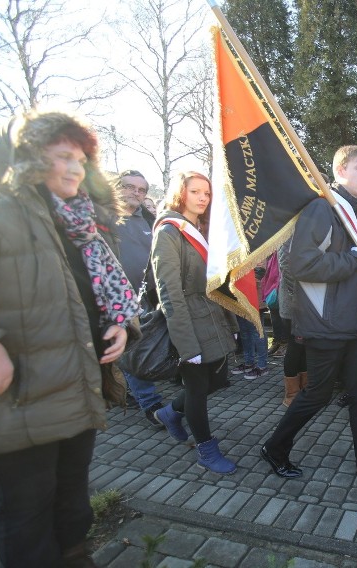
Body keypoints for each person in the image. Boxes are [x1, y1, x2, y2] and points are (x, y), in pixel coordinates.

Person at [0, 110, 139, 567]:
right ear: (27, 158)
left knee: (72, 512)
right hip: (15, 406)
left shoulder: (80, 224)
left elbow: (96, 294)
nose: (74, 168)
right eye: (62, 155)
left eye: (81, 159)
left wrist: (121, 325)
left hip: (72, 397)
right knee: (26, 523)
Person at [261, 145, 357, 490]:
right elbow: (302, 265)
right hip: (326, 324)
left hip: (356, 325)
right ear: (340, 170)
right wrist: (353, 260)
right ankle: (274, 447)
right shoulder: (322, 209)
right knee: (317, 395)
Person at [150, 171, 239, 475]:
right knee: (198, 389)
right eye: (195, 192)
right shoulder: (169, 231)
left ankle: (170, 412)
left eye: (207, 193)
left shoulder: (201, 228)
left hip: (211, 316)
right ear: (181, 193)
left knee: (218, 380)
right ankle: (206, 450)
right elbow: (168, 292)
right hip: (188, 321)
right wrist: (186, 344)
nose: (203, 198)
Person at [113, 169, 167, 427]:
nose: (136, 192)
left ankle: (128, 391)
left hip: (147, 298)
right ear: (116, 187)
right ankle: (150, 402)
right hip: (115, 300)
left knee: (139, 348)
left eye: (141, 189)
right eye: (129, 187)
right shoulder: (101, 220)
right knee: (130, 347)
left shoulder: (149, 219)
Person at [277, 237, 307, 407]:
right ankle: (292, 393)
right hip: (293, 304)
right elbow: (285, 264)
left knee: (303, 346)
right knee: (295, 346)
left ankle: (304, 388)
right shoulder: (288, 231)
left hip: (304, 301)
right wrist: (297, 297)